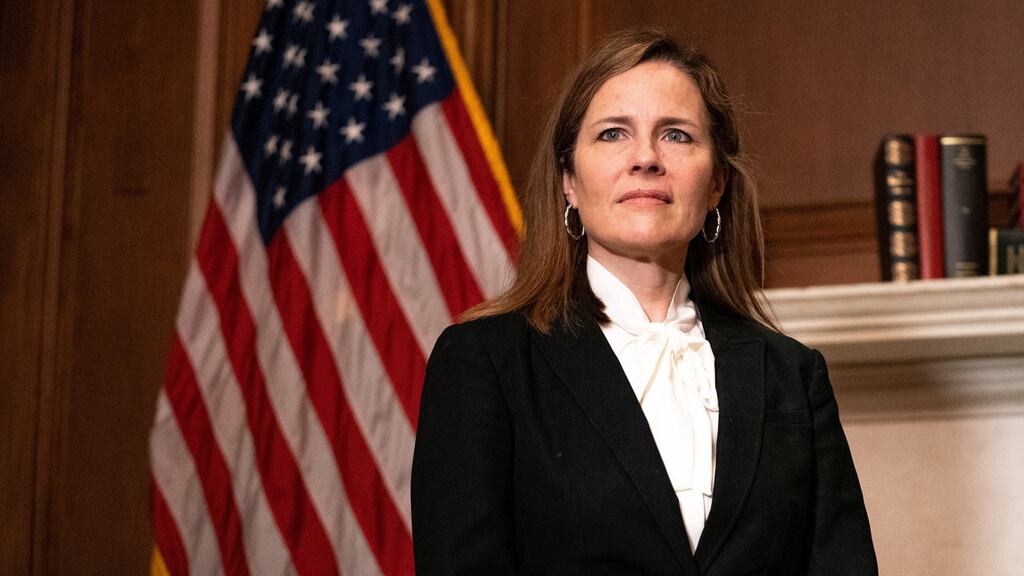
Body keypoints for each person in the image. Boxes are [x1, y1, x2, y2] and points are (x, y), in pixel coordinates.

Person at [411, 27, 877, 576]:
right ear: (569, 181)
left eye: (677, 135)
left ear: (717, 184)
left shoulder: (792, 374)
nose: (646, 159)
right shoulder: (485, 362)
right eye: (612, 134)